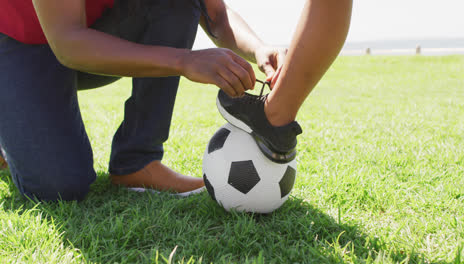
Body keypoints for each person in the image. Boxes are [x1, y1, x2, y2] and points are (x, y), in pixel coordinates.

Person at [0, 0, 352, 201]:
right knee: (60, 187)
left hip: (88, 35)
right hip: (22, 43)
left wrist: (257, 47)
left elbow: (215, 13)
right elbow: (68, 42)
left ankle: (136, 163)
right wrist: (185, 61)